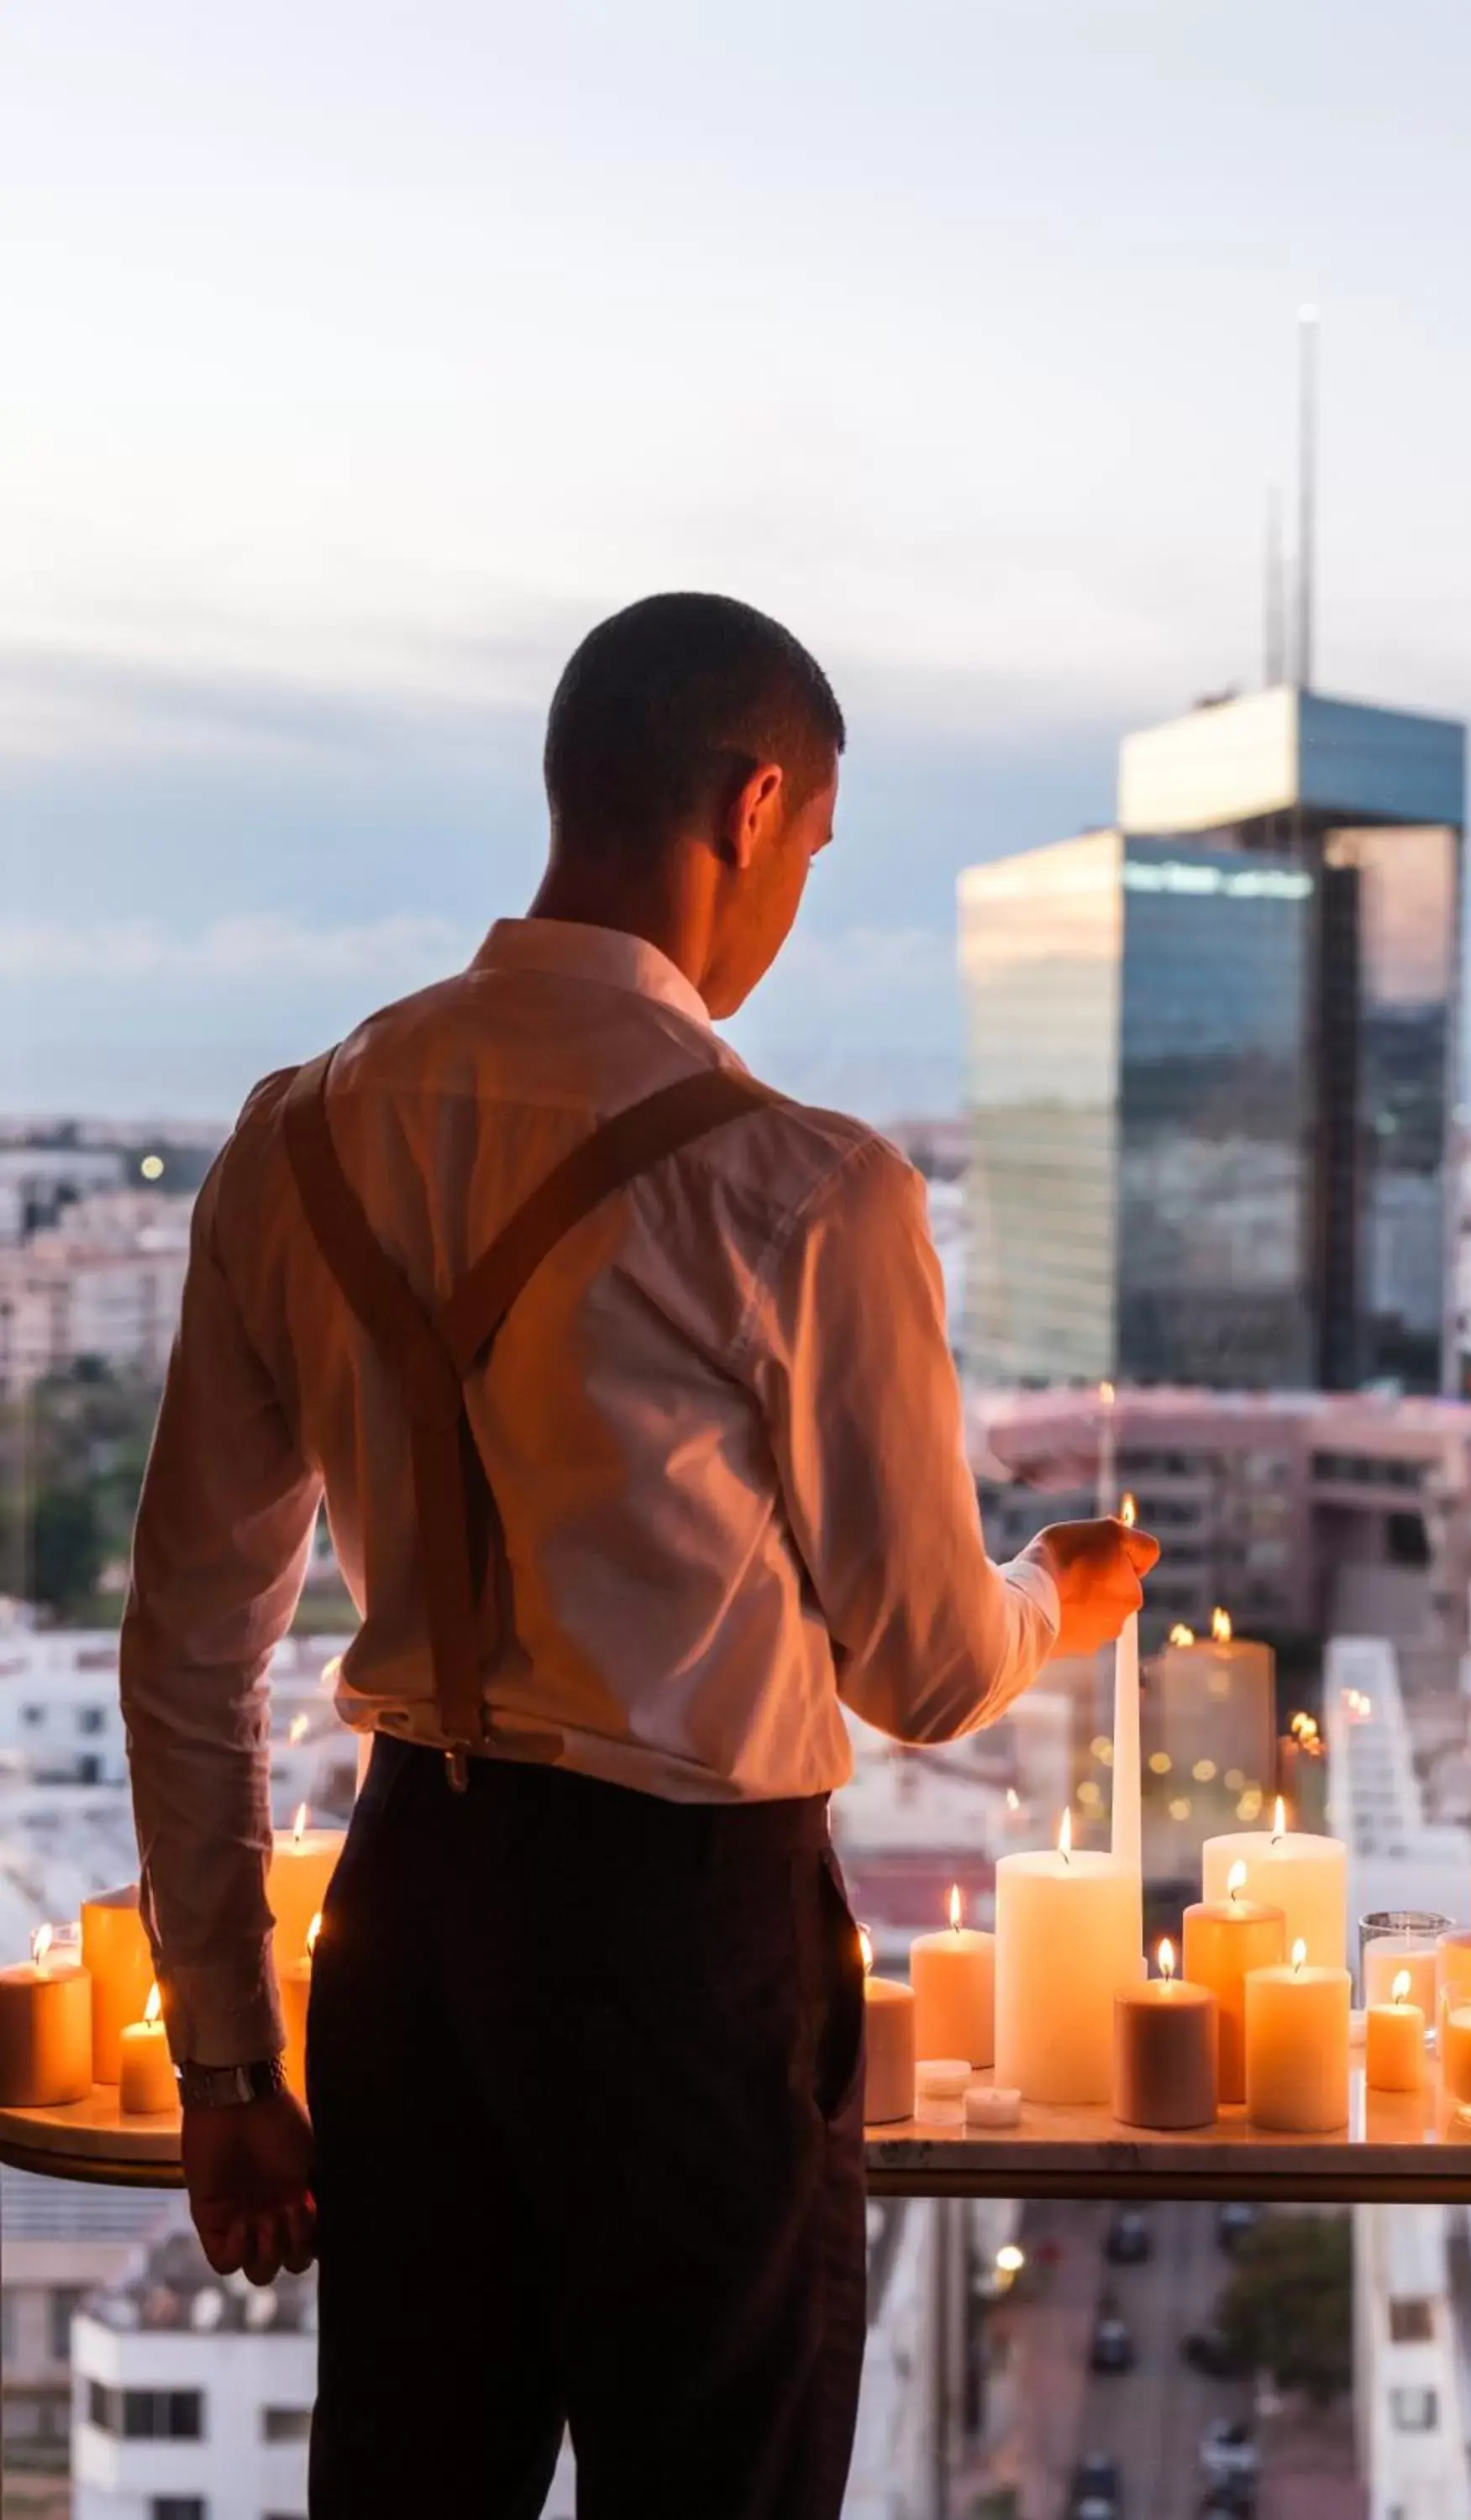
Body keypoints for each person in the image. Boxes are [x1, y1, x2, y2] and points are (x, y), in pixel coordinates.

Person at [120, 591, 1158, 2520]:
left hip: (404, 1920)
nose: (788, 911)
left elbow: (190, 1641)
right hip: (684, 1945)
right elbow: (925, 1666)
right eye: (813, 854)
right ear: (757, 806)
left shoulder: (295, 1139)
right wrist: (1058, 1600)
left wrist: (224, 2057)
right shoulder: (802, 1185)